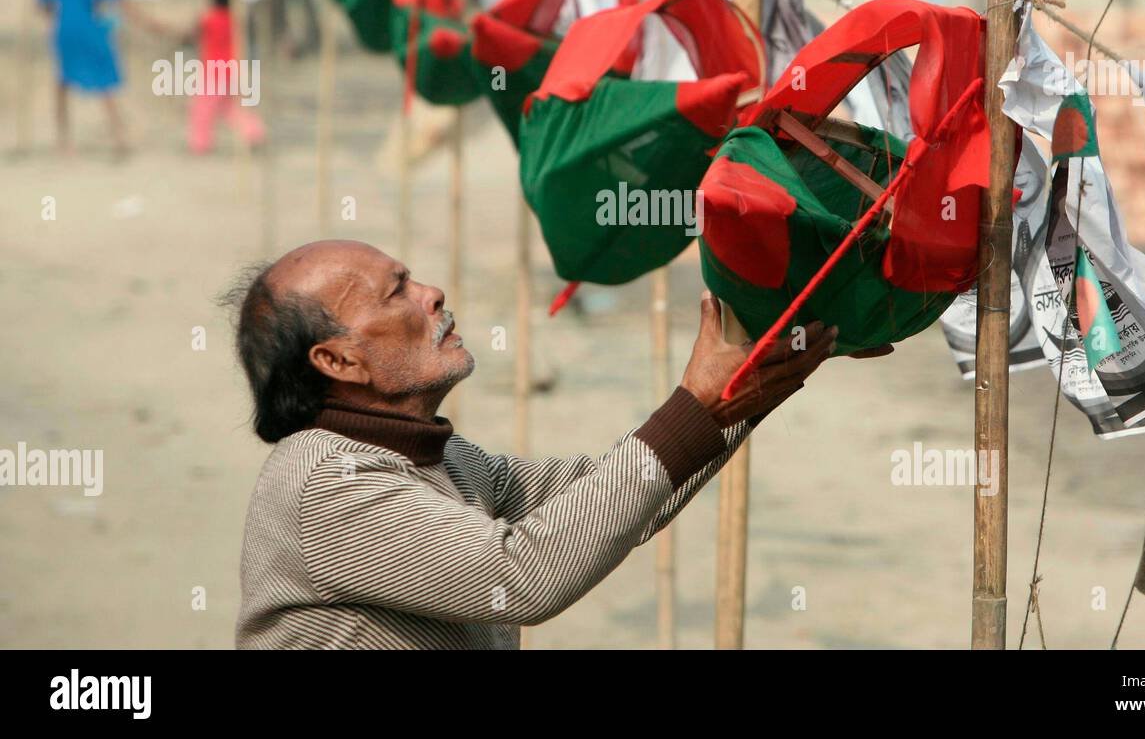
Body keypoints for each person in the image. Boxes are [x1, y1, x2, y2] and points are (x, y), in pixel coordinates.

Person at [226, 240, 886, 649]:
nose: (432, 293)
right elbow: (520, 575)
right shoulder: (323, 483)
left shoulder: (444, 458)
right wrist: (695, 406)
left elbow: (615, 497)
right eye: (397, 291)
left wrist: (745, 393)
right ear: (339, 361)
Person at [38, 0, 128, 156]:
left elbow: (44, 5)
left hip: (65, 34)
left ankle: (64, 141)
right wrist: (110, 21)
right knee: (104, 83)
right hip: (91, 33)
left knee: (62, 84)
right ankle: (119, 137)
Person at [180, 0, 265, 154]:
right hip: (232, 68)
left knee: (202, 109)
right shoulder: (235, 19)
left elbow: (190, 35)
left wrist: (195, 19)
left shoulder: (209, 18)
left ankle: (200, 143)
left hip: (213, 70)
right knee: (230, 108)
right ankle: (254, 131)